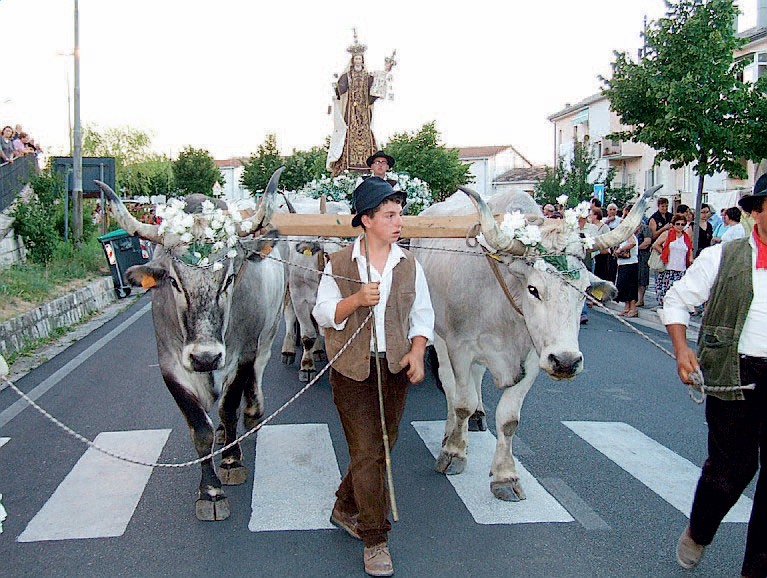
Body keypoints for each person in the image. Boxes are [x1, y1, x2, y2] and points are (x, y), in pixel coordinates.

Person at [313, 176, 434, 577]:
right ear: (365, 220)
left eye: (400, 214)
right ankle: (375, 538)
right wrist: (355, 300)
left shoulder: (409, 264)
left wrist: (417, 352)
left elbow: (422, 316)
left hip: (393, 367)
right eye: (389, 215)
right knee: (367, 451)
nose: (399, 222)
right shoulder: (339, 263)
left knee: (382, 445)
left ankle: (346, 506)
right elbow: (324, 313)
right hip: (351, 369)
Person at [662, 174, 767, 577]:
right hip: (735, 373)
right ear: (755, 212)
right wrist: (682, 348)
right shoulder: (723, 255)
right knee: (730, 472)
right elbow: (676, 301)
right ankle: (700, 529)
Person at [327, 33, 396, 176]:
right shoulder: (348, 75)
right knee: (348, 135)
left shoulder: (367, 76)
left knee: (366, 135)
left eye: (360, 58)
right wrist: (337, 90)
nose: (358, 61)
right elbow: (340, 89)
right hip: (351, 112)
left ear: (362, 61)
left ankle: (367, 166)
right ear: (353, 60)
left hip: (364, 111)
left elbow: (377, 83)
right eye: (356, 58)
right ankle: (346, 167)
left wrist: (386, 70)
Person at [651, 213, 693, 305]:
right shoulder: (667, 234)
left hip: (681, 269)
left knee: (678, 295)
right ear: (673, 224)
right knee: (667, 294)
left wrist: (691, 262)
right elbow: (655, 245)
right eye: (678, 224)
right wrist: (664, 253)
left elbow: (689, 250)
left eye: (682, 224)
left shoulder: (686, 237)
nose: (680, 226)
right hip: (668, 268)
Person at [614, 227, 640, 316]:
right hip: (622, 264)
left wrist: (620, 249)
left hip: (630, 263)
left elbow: (632, 243)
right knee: (624, 286)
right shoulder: (623, 237)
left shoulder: (630, 235)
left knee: (630, 286)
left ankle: (633, 308)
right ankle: (627, 306)